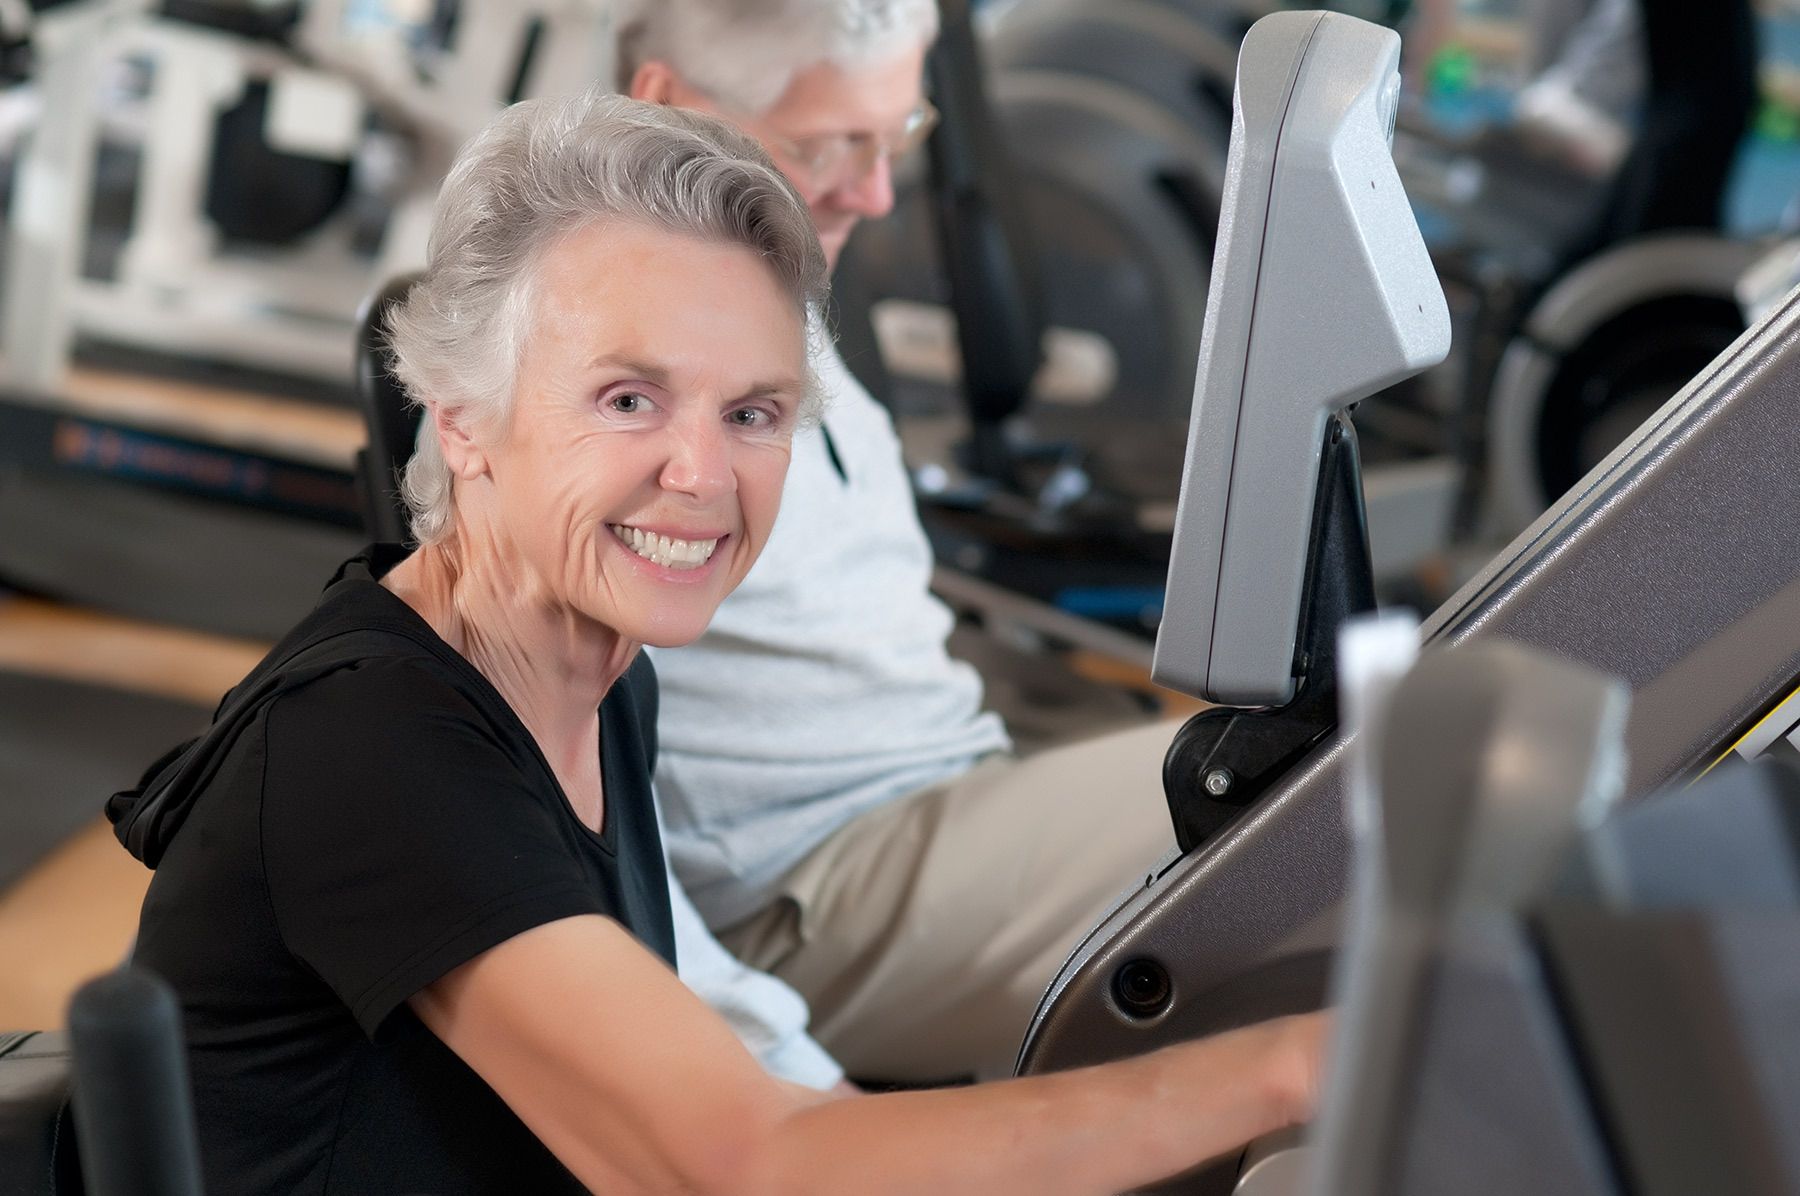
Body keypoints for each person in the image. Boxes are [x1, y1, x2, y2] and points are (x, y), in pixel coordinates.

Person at [113, 90, 1323, 1194]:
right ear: (464, 418)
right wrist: (1294, 1067)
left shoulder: (601, 682)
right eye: (627, 398)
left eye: (752, 412)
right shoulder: (372, 745)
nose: (702, 474)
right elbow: (741, 1165)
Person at [618, 0, 1183, 1085]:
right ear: (670, 103)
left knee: (1330, 784)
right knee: (1339, 806)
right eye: (829, 145)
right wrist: (776, 1075)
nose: (876, 193)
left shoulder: (766, 289)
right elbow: (556, 794)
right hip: (807, 896)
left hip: (938, 801)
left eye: (898, 136)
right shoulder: (601, 376)